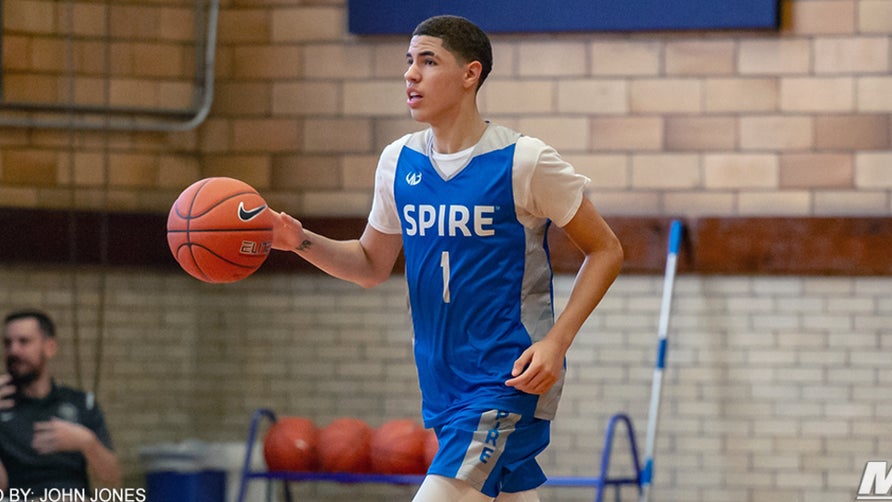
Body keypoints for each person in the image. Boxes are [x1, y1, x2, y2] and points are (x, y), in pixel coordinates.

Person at [270, 14, 623, 502]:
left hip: (507, 377)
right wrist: (299, 241)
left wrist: (557, 343)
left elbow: (606, 249)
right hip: (443, 385)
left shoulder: (524, 161)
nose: (411, 75)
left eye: (428, 61)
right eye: (409, 62)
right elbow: (371, 265)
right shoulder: (399, 161)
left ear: (469, 74)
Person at [0, 309, 121, 493]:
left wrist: (87, 442)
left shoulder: (81, 404)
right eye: (7, 343)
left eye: (24, 342)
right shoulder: (2, 404)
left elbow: (113, 481)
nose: (13, 350)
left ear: (50, 347)